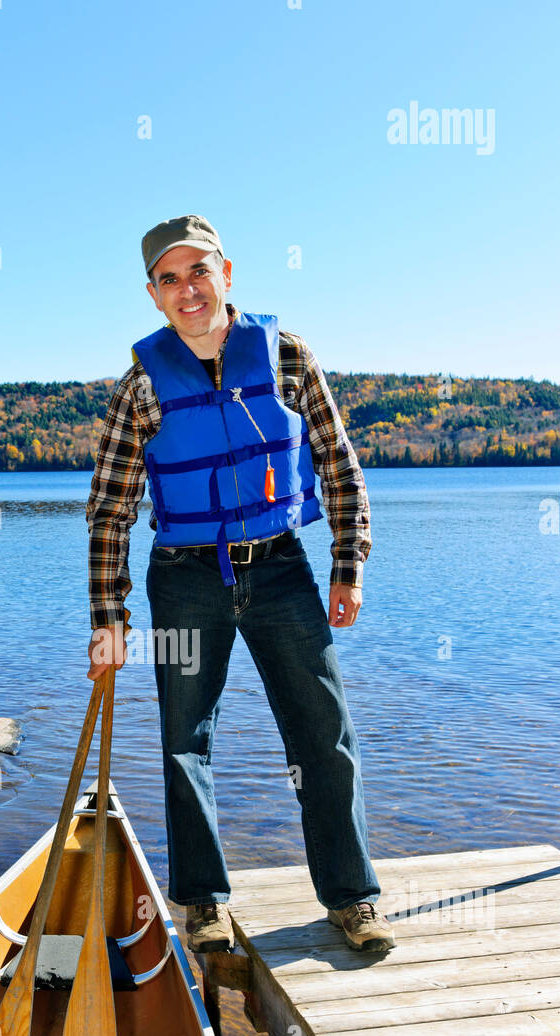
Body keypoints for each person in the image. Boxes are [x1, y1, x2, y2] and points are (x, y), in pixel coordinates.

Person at [86, 214, 394, 956]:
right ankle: (201, 902)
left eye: (199, 271)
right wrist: (110, 615)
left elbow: (338, 464)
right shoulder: (141, 388)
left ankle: (351, 899)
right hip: (184, 580)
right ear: (153, 294)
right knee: (183, 741)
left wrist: (347, 562)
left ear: (227, 274)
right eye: (170, 278)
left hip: (281, 569)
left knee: (325, 735)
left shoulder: (287, 357)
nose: (188, 289)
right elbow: (110, 507)